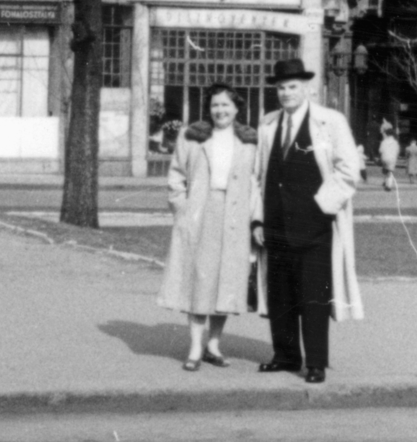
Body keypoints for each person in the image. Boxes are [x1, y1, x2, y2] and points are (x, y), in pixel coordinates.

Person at [252, 57, 362, 385]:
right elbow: (258, 176)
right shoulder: (269, 124)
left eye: (293, 87)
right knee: (280, 293)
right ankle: (285, 355)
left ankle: (315, 362)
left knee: (314, 295)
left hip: (315, 224)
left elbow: (348, 170)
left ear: (307, 89)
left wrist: (321, 207)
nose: (286, 93)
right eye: (281, 87)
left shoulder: (330, 121)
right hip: (274, 224)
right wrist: (257, 220)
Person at [158, 84, 259, 372]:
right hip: (201, 213)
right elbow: (176, 175)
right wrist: (182, 208)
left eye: (226, 105)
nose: (220, 111)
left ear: (236, 108)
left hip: (235, 217)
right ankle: (194, 346)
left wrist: (253, 218)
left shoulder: (249, 140)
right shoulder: (192, 137)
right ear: (209, 108)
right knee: (199, 279)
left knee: (225, 281)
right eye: (215, 105)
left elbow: (256, 181)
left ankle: (214, 344)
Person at [378, 124, 399, 192]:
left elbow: (380, 150)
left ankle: (385, 182)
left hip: (384, 158)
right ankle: (388, 186)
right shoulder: (395, 142)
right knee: (390, 172)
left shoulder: (384, 142)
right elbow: (397, 151)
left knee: (385, 170)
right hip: (392, 158)